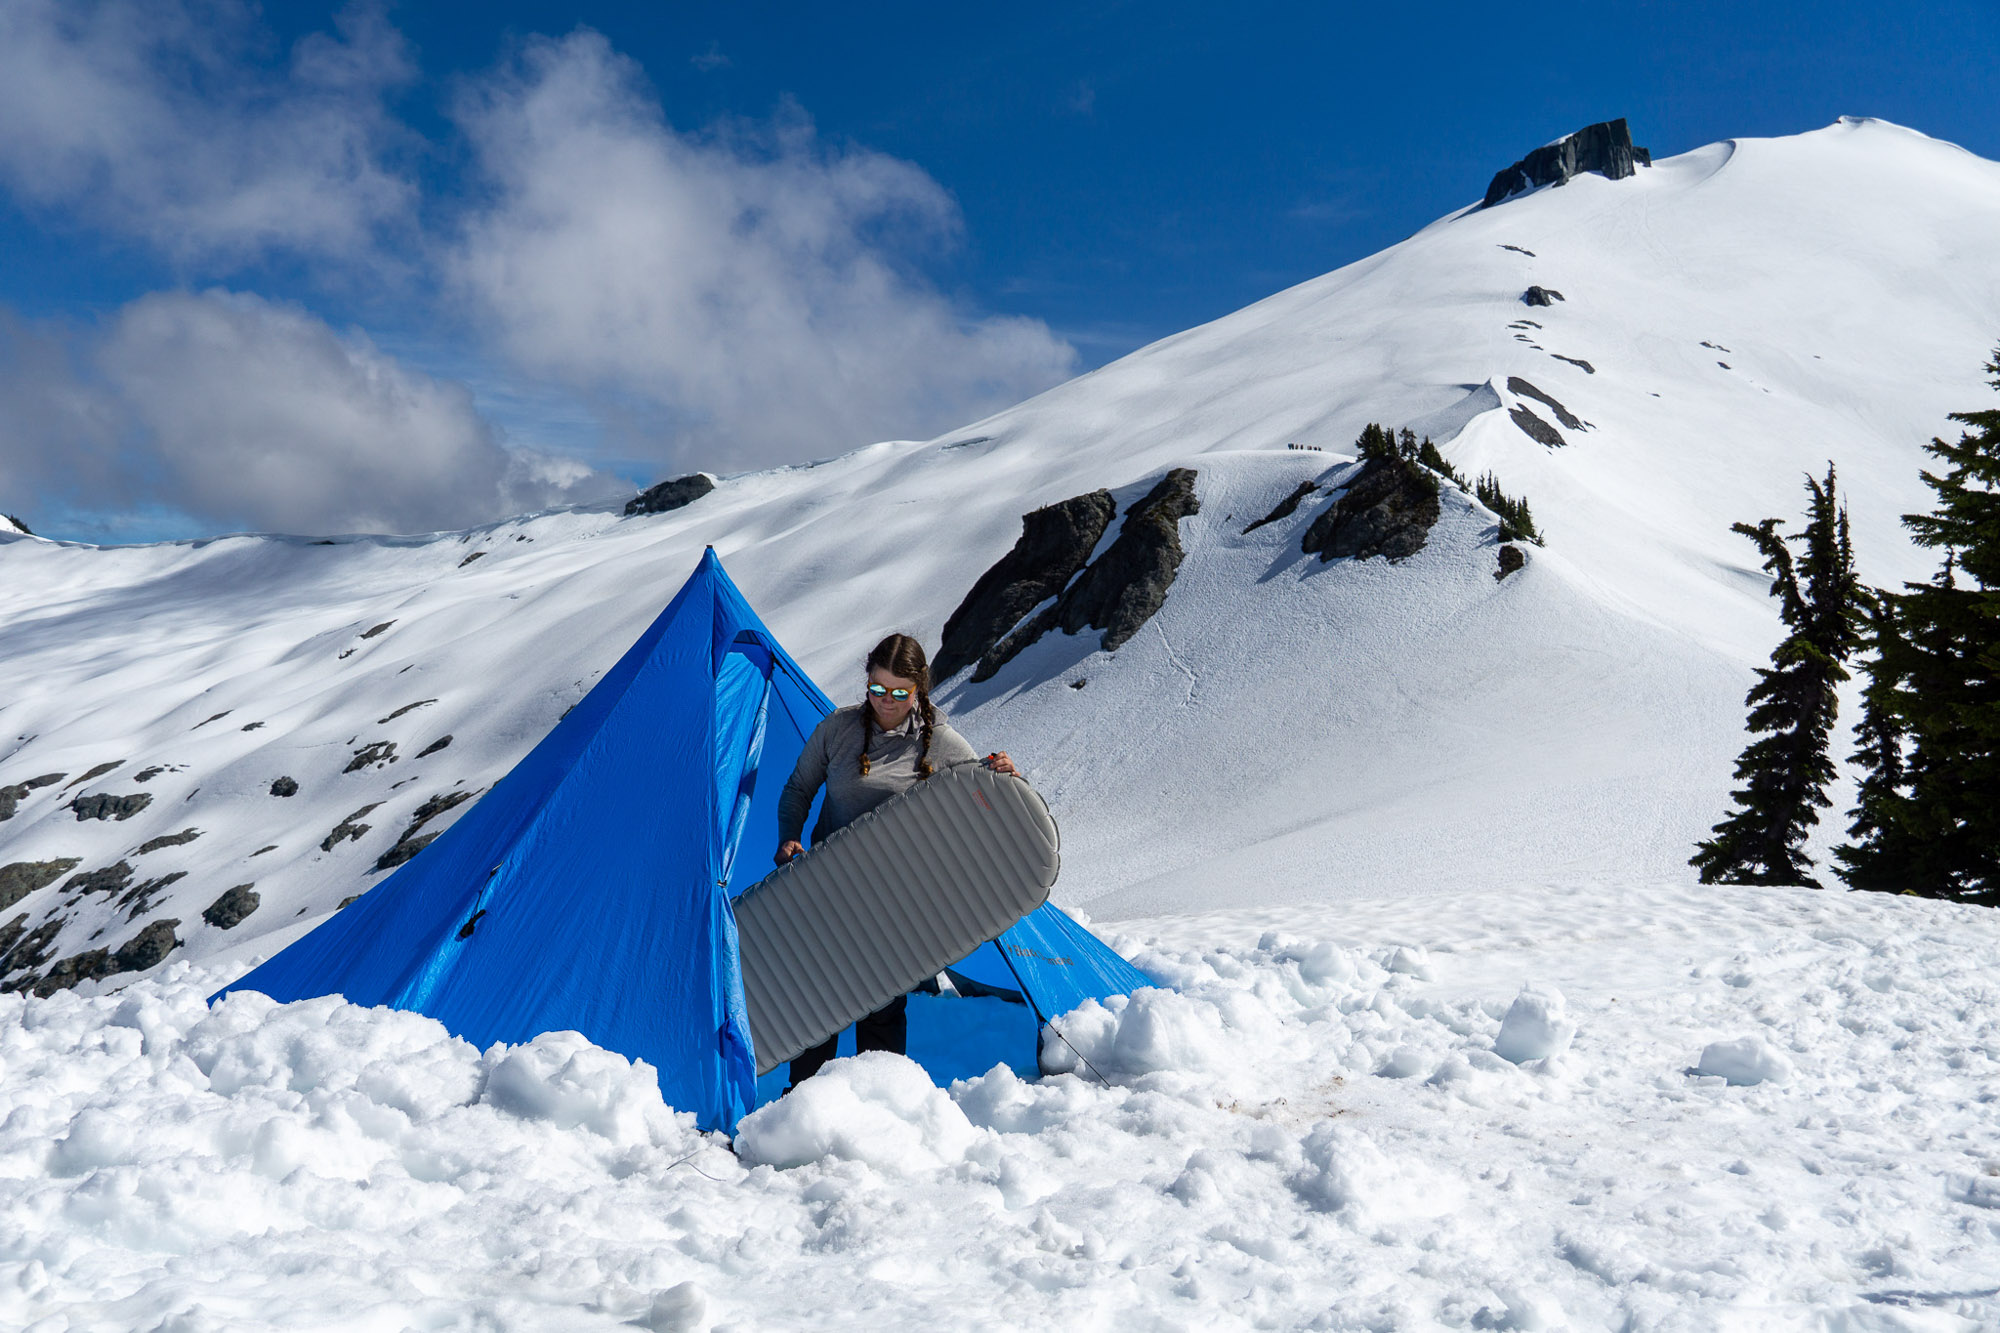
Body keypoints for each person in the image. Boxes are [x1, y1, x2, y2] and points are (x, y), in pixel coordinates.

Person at [774, 631, 1019, 1088]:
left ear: (919, 689)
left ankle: (881, 1103)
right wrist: (789, 838)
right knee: (817, 1005)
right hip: (826, 889)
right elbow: (797, 789)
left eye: (899, 692)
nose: (885, 701)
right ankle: (801, 1107)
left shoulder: (939, 741)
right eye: (876, 689)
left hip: (893, 900)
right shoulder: (839, 728)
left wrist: (1003, 775)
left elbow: (981, 794)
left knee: (881, 1007)